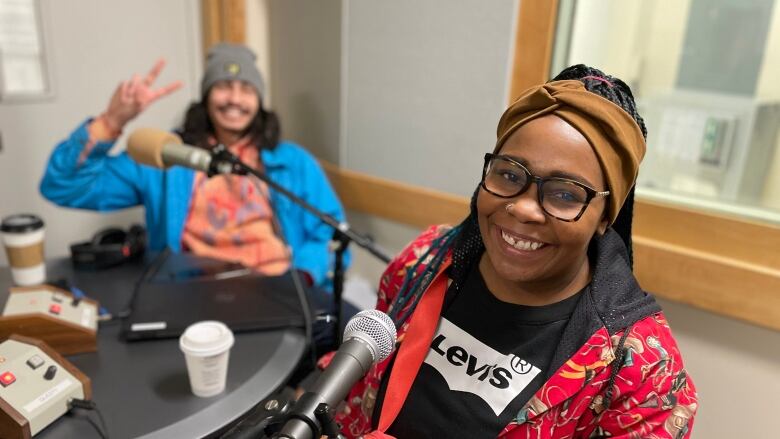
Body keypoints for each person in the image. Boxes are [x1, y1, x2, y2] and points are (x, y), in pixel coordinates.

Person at [320, 65, 698, 438]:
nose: (523, 208)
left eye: (565, 194)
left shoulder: (643, 372)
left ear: (605, 217)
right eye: (510, 174)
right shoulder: (424, 262)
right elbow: (359, 394)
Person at [39, 43, 348, 292]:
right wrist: (111, 121)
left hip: (279, 288)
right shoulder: (166, 157)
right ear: (206, 96)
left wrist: (303, 277)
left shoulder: (293, 162)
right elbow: (63, 185)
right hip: (194, 295)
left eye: (246, 89)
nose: (235, 99)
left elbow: (332, 235)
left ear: (259, 100)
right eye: (224, 86)